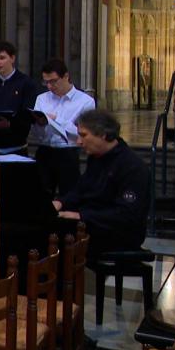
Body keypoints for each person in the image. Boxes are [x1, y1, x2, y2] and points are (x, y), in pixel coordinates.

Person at [52, 109, 150, 259]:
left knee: (55, 239)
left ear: (103, 135)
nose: (78, 141)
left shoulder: (132, 166)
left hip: (117, 234)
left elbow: (126, 214)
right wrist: (60, 202)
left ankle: (62, 280)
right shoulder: (97, 158)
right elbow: (80, 190)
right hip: (92, 224)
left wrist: (80, 215)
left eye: (84, 135)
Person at [33, 58, 95, 196]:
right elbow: (38, 134)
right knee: (41, 195)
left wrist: (56, 120)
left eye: (54, 81)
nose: (50, 86)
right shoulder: (42, 99)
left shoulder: (85, 101)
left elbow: (82, 133)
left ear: (66, 76)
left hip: (68, 152)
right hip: (45, 150)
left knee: (69, 195)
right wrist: (40, 124)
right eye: (46, 82)